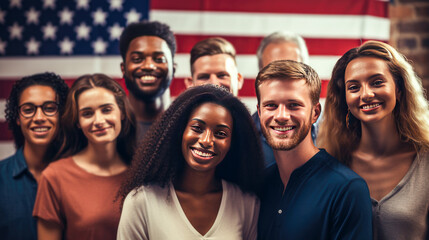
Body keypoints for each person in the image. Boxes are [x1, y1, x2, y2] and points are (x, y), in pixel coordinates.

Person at [117, 84, 264, 239]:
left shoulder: (246, 204)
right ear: (180, 130)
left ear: (232, 143)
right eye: (197, 128)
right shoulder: (142, 201)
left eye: (220, 133)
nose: (206, 141)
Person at [317, 40, 429, 240]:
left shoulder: (425, 163)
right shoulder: (331, 163)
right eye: (354, 87)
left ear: (400, 89)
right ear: (345, 99)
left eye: (377, 82)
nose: (366, 94)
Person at [256, 60, 372, 239]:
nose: (281, 116)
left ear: (315, 113)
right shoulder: (258, 185)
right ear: (259, 112)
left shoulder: (347, 189)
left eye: (294, 105)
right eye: (271, 105)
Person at [33, 74, 136, 240]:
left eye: (106, 110)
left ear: (122, 113)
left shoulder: (140, 173)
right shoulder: (55, 177)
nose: (99, 120)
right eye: (87, 113)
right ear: (77, 122)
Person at [0, 72, 68, 240]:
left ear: (62, 114)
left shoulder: (79, 175)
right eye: (28, 110)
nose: (39, 118)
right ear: (17, 117)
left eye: (50, 108)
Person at [119, 20, 176, 140]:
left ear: (173, 68)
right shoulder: (110, 125)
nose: (148, 66)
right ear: (123, 69)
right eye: (137, 59)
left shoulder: (190, 120)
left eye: (159, 59)